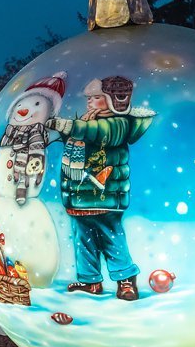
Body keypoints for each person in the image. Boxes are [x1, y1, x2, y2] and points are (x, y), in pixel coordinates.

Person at [47, 76, 154, 301]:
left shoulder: (118, 124)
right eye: (89, 98)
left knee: (111, 236)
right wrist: (64, 132)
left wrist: (69, 126)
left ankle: (125, 281)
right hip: (79, 195)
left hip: (105, 195)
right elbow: (82, 136)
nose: (89, 102)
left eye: (96, 97)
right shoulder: (87, 122)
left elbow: (97, 132)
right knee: (82, 237)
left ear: (112, 101)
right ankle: (90, 280)